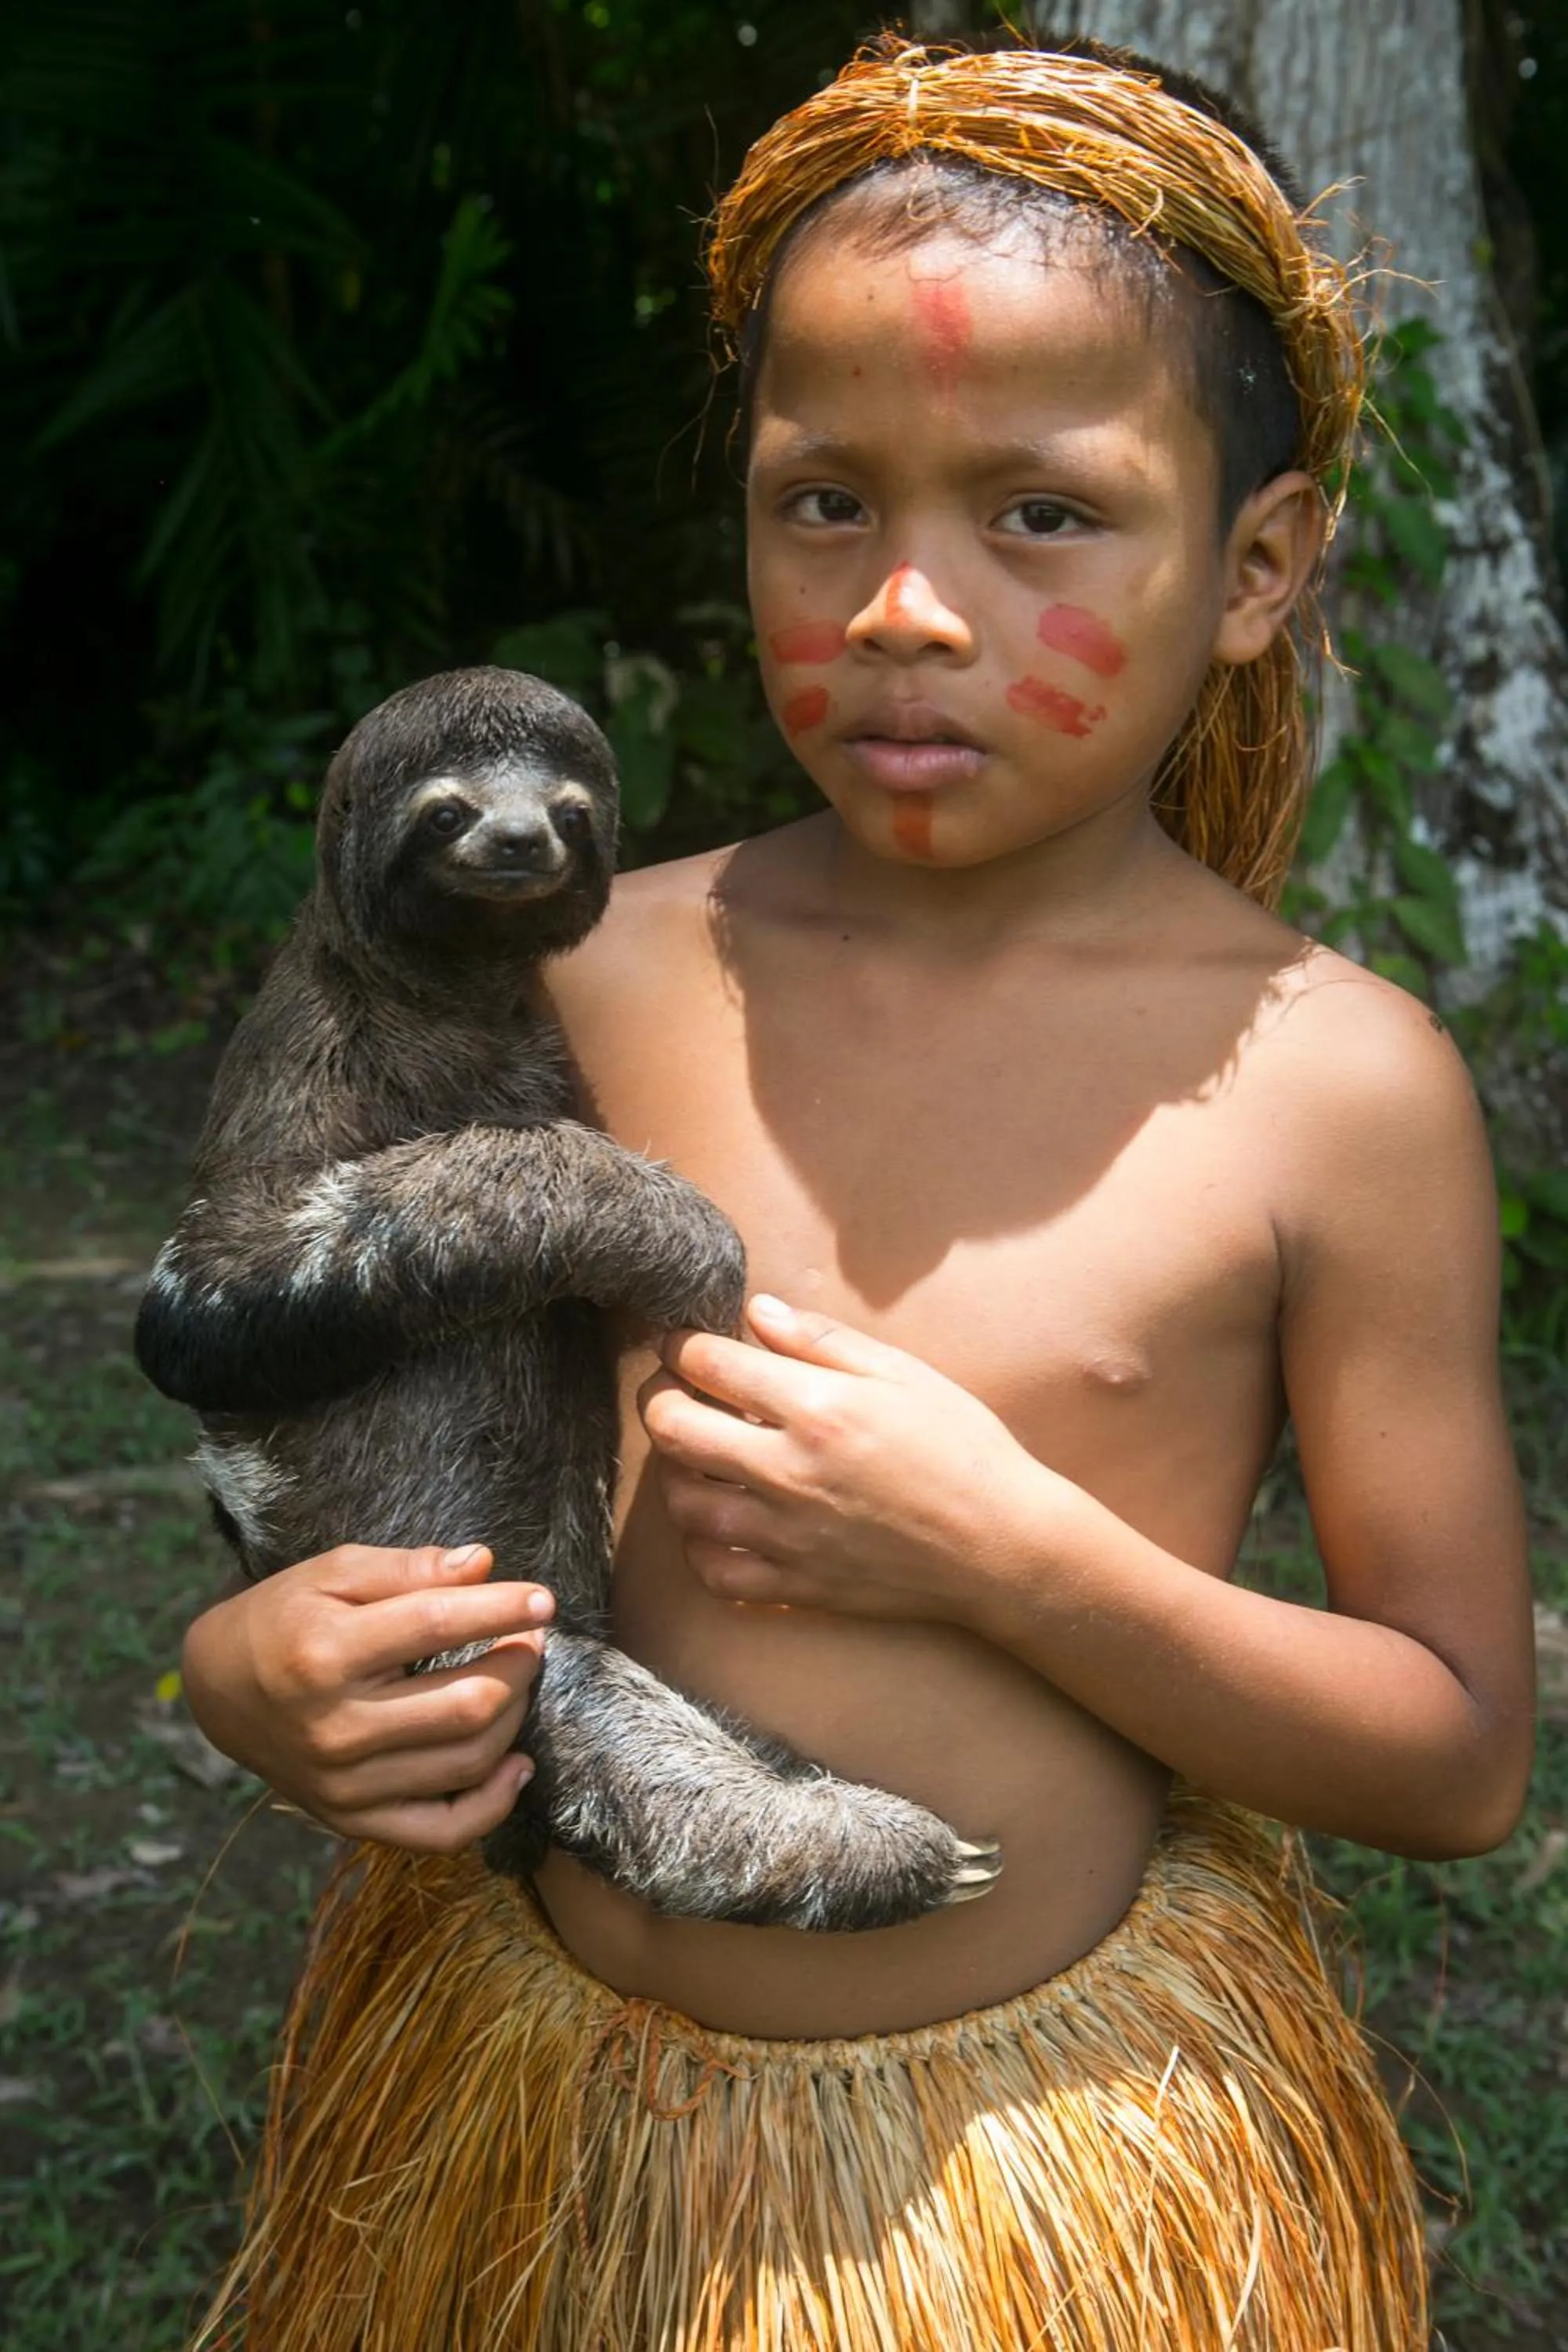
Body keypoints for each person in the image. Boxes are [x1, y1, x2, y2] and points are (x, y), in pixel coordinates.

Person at [179, 34, 1535, 2352]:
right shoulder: (577, 974)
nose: (908, 604)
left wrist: (1000, 1555)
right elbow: (310, 1413)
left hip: (1035, 2175)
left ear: (1261, 564)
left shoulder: (1339, 1088)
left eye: (1039, 514)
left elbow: (1455, 1753)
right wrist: (253, 1672)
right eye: (828, 502)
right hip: (529, 2151)